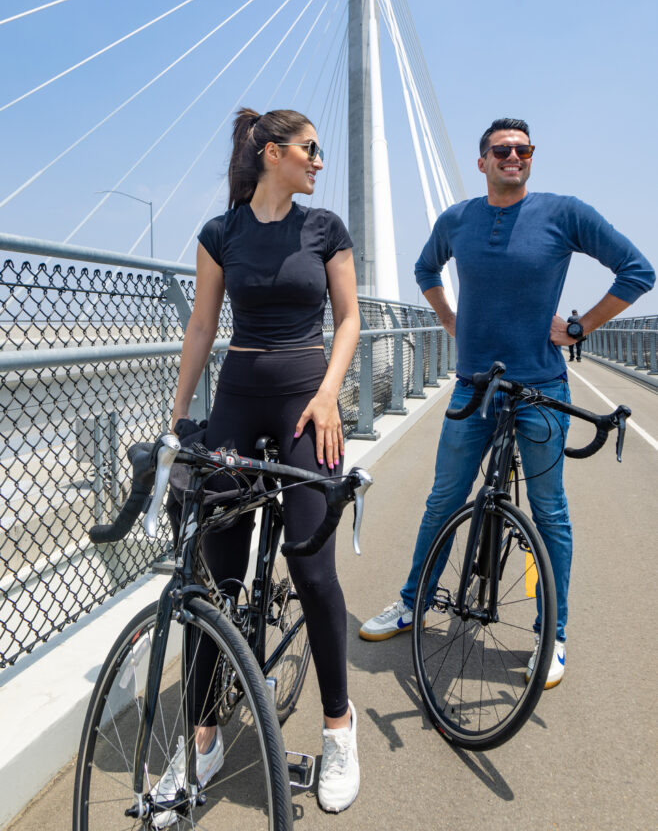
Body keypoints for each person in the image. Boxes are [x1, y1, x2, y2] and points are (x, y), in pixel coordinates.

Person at [359, 118, 655, 689]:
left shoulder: (563, 213)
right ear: (483, 161)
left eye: (523, 150)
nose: (513, 157)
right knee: (444, 499)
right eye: (502, 150)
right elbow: (425, 268)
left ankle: (554, 632)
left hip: (541, 389)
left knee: (550, 512)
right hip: (473, 386)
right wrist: (449, 318)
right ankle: (412, 603)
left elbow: (637, 270)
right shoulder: (459, 220)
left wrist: (580, 326)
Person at [161, 107, 361, 816]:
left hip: (310, 403)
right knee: (215, 576)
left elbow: (349, 319)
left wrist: (332, 393)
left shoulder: (325, 228)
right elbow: (203, 325)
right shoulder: (221, 234)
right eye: (310, 148)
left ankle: (339, 728)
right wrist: (179, 417)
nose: (318, 160)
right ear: (274, 153)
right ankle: (204, 738)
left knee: (311, 566)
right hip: (240, 401)